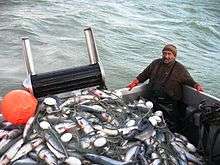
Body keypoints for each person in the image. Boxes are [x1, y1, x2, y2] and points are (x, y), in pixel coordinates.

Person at [127, 44, 203, 130]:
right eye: (164, 53)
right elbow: (144, 75)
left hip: (170, 104)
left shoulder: (180, 69)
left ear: (174, 56)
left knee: (170, 125)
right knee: (149, 122)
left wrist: (196, 85)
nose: (166, 56)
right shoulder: (155, 63)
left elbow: (189, 80)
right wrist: (135, 82)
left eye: (169, 54)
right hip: (153, 99)